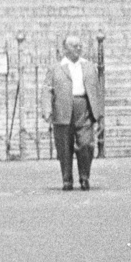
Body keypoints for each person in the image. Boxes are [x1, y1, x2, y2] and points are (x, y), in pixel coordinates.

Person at [43, 35, 103, 191]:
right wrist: (47, 110)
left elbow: (97, 90)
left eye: (79, 45)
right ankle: (67, 179)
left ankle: (84, 177)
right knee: (64, 146)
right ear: (65, 49)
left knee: (86, 144)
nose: (78, 48)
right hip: (62, 109)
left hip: (84, 108)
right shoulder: (56, 68)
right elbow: (47, 90)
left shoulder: (89, 66)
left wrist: (99, 112)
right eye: (74, 45)